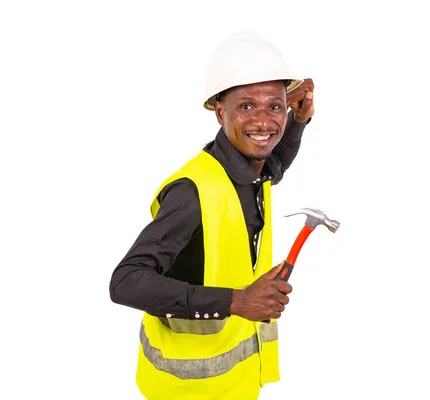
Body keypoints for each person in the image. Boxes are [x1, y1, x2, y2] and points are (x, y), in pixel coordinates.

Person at [108, 31, 315, 400]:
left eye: (275, 106)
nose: (265, 122)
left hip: (237, 384)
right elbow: (125, 282)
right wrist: (236, 301)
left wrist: (297, 121)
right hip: (186, 390)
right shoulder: (192, 192)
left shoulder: (252, 171)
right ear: (220, 111)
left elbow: (277, 164)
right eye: (247, 106)